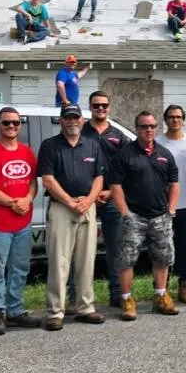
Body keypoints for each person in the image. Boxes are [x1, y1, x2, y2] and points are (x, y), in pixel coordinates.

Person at [38, 104, 107, 330]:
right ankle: (55, 312)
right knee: (59, 261)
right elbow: (47, 179)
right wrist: (69, 202)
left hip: (87, 205)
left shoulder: (92, 145)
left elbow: (99, 178)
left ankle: (85, 307)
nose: (72, 122)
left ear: (82, 121)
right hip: (61, 207)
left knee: (87, 260)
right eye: (68, 118)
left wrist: (88, 201)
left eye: (76, 118)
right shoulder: (50, 146)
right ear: (61, 121)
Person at [109, 111, 180, 321]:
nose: (148, 130)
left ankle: (160, 295)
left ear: (156, 128)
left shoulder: (165, 154)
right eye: (144, 126)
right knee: (127, 260)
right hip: (134, 217)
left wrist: (171, 208)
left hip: (161, 216)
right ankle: (127, 299)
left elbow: (174, 183)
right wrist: (124, 212)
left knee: (163, 258)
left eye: (152, 126)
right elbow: (115, 185)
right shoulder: (125, 154)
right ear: (137, 128)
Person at [0, 106, 41, 335]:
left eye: (15, 122)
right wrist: (13, 203)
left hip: (23, 223)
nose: (11, 126)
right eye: (6, 123)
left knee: (20, 268)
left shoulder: (27, 152)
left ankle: (15, 310)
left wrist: (26, 199)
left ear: (20, 125)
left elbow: (33, 182)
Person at [80, 91, 125, 307]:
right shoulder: (80, 132)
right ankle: (76, 296)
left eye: (104, 105)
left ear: (109, 107)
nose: (100, 109)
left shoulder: (118, 135)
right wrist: (90, 195)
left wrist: (111, 191)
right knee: (79, 249)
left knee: (115, 248)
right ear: (90, 107)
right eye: (96, 105)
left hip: (110, 197)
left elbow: (127, 166)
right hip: (84, 199)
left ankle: (117, 293)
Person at [163, 104, 186, 304]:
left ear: (183, 120)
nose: (175, 120)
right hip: (163, 204)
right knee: (163, 248)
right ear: (166, 120)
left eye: (178, 117)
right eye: (171, 117)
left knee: (185, 247)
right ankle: (163, 288)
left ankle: (184, 286)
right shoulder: (158, 142)